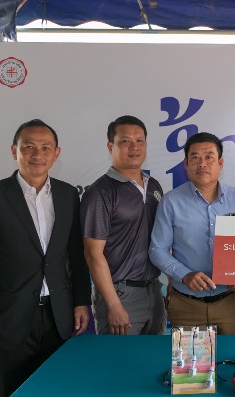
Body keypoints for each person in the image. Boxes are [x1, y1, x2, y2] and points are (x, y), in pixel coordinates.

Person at [0, 119, 91, 397]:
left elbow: (75, 254)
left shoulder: (68, 195)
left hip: (59, 316)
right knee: (12, 391)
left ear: (56, 153)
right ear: (15, 151)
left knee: (57, 390)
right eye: (29, 147)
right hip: (10, 318)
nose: (37, 154)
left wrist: (81, 301)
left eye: (45, 147)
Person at [149, 132, 235, 334]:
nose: (202, 163)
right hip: (186, 304)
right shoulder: (171, 201)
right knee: (190, 357)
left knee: (230, 354)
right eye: (195, 157)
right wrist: (184, 275)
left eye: (209, 157)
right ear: (186, 164)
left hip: (228, 303)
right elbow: (157, 250)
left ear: (220, 163)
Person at [81, 115, 166, 335]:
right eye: (125, 141)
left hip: (154, 291)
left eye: (140, 141)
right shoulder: (100, 192)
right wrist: (114, 305)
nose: (134, 147)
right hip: (120, 295)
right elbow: (93, 254)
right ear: (111, 146)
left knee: (152, 355)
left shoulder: (154, 186)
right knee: (120, 357)